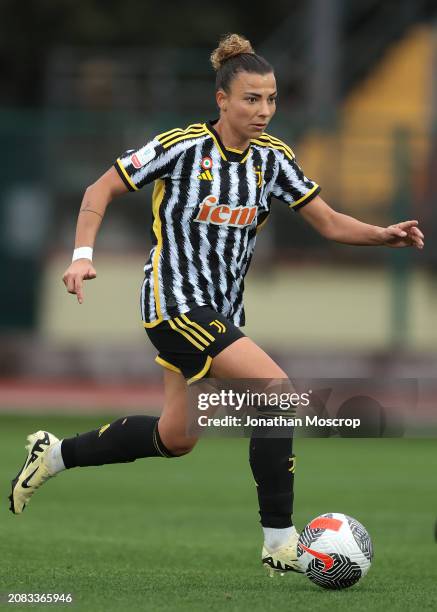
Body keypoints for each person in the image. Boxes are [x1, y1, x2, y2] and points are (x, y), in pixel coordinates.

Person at [9, 33, 424, 576]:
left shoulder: (274, 159)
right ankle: (280, 541)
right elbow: (99, 189)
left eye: (271, 99)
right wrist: (81, 255)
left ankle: (55, 454)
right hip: (174, 303)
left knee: (176, 436)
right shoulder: (182, 146)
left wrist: (381, 234)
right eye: (252, 99)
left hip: (221, 312)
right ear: (222, 100)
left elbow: (326, 221)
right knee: (277, 396)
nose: (264, 111)